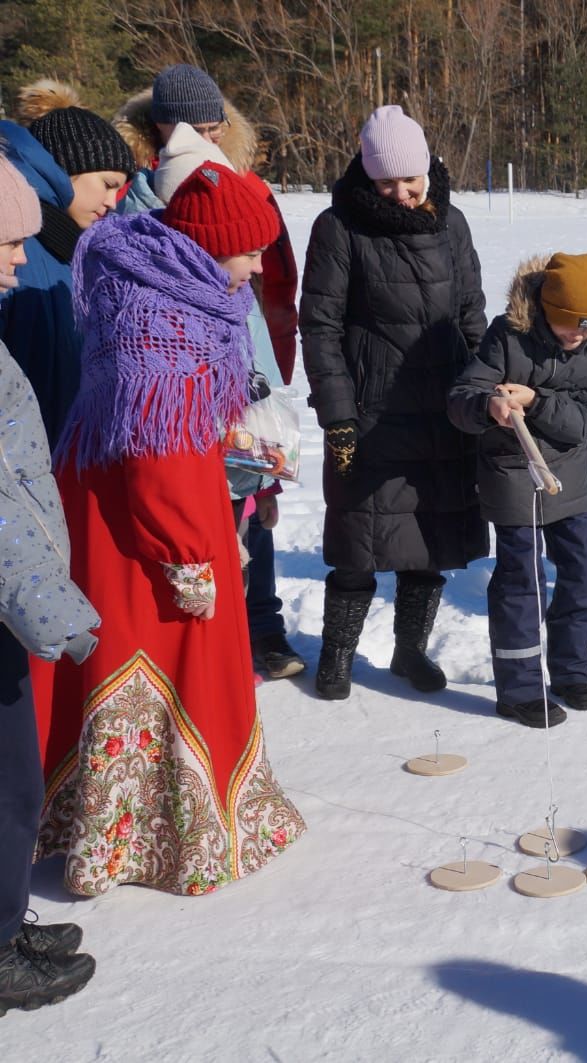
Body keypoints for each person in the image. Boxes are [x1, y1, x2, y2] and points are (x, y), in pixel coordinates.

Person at [32, 164, 305, 896]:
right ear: (211, 244)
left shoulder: (160, 284)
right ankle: (149, 841)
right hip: (147, 534)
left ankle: (108, 833)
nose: (255, 269)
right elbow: (161, 451)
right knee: (168, 669)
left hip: (116, 511)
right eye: (248, 253)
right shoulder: (165, 319)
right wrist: (189, 555)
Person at [114, 64, 303, 681]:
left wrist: (267, 399)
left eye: (215, 127)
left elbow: (266, 294)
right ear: (159, 128)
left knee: (251, 507)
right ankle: (201, 651)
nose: (206, 139)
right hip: (179, 410)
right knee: (195, 530)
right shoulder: (136, 199)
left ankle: (263, 630)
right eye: (193, 128)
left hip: (243, 391)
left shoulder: (241, 189)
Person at [300, 106, 488, 700]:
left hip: (443, 409)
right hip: (370, 413)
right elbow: (320, 326)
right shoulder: (339, 227)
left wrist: (483, 386)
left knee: (426, 543)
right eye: (387, 183)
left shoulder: (451, 223)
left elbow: (471, 313)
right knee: (358, 543)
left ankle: (411, 652)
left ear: (428, 170)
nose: (401, 194)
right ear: (367, 175)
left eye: (410, 181)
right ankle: (337, 657)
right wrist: (338, 414)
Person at [0, 153, 99, 1014]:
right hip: (9, 594)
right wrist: (50, 605)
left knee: (15, 777)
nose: (17, 262)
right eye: (4, 244)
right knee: (5, 780)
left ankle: (3, 920)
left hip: (12, 598)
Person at [448, 254, 587, 727]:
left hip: (569, 479)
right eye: (569, 326)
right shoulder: (508, 336)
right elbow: (461, 400)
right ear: (546, 308)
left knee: (582, 576)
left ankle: (571, 671)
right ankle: (519, 689)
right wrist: (489, 406)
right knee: (522, 582)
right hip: (511, 473)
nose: (577, 336)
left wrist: (536, 401)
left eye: (586, 329)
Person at [0, 81, 135, 445]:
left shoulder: (68, 248)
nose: (111, 201)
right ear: (68, 167)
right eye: (107, 183)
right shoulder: (19, 242)